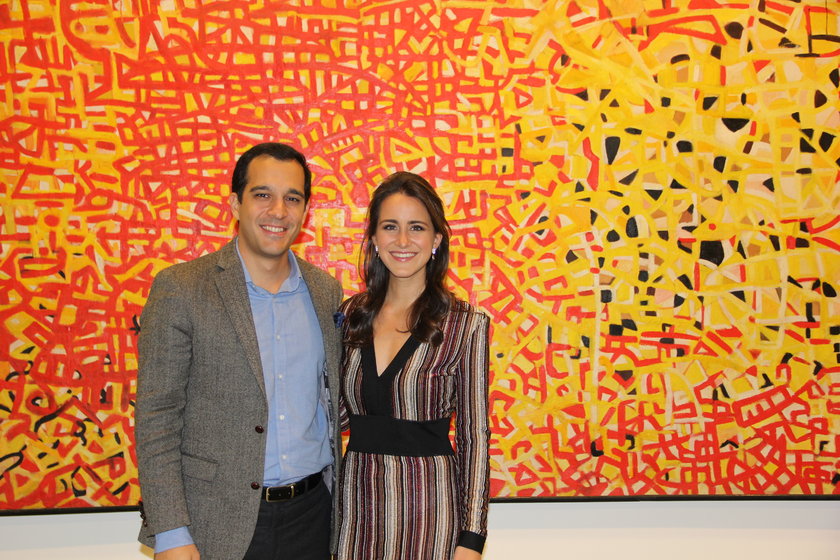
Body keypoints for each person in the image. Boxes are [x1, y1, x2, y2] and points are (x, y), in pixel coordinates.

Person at [135, 142, 343, 560]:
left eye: (292, 198)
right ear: (235, 203)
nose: (278, 211)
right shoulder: (182, 288)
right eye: (263, 194)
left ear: (305, 211)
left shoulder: (326, 292)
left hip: (315, 517)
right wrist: (171, 533)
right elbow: (156, 417)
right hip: (214, 524)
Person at [336, 171, 491, 560]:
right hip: (356, 513)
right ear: (374, 238)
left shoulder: (465, 325)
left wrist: (472, 538)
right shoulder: (349, 316)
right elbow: (332, 416)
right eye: (390, 226)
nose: (402, 241)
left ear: (436, 240)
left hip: (430, 516)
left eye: (417, 227)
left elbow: (474, 437)